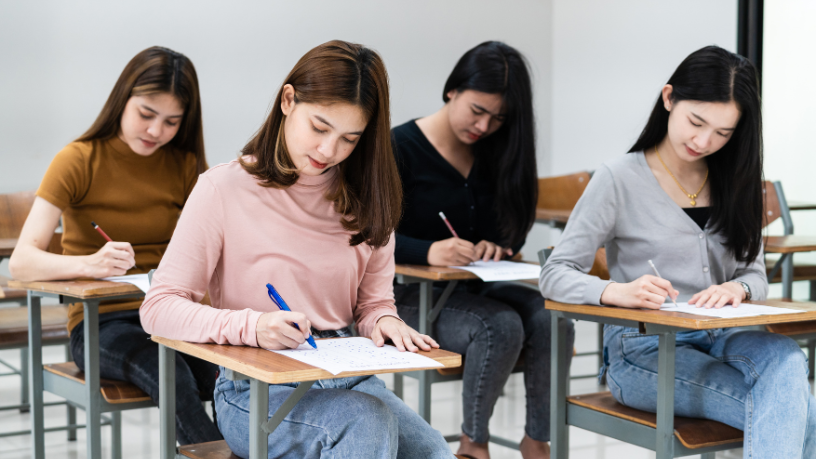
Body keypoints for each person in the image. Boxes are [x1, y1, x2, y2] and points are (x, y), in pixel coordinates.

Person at [140, 40, 454, 459]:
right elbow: (158, 307)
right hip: (254, 391)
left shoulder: (370, 199)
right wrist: (253, 327)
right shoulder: (223, 189)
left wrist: (385, 322)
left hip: (348, 380)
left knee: (433, 451)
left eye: (349, 138)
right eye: (319, 127)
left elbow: (374, 304)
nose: (329, 151)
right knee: (365, 424)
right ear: (288, 100)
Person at [540, 45, 816, 458]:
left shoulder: (736, 181)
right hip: (645, 354)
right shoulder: (618, 179)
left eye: (723, 133)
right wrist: (616, 291)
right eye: (696, 122)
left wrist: (738, 290)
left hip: (727, 338)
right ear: (669, 98)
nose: (704, 141)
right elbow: (555, 271)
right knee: (800, 414)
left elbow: (755, 275)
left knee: (787, 357)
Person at [9, 46, 222, 444]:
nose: (156, 131)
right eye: (146, 114)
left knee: (224, 374)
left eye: (172, 121)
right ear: (122, 98)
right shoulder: (77, 160)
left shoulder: (186, 166)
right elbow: (21, 263)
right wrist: (90, 264)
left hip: (173, 314)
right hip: (100, 323)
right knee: (169, 371)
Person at [392, 41, 574, 459]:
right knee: (500, 325)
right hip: (410, 298)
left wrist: (499, 244)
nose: (485, 126)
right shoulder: (398, 147)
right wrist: (428, 251)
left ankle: (537, 441)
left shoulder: (496, 152)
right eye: (477, 110)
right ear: (452, 90)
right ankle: (474, 444)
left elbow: (510, 229)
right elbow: (367, 236)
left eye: (498, 118)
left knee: (552, 318)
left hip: (477, 287)